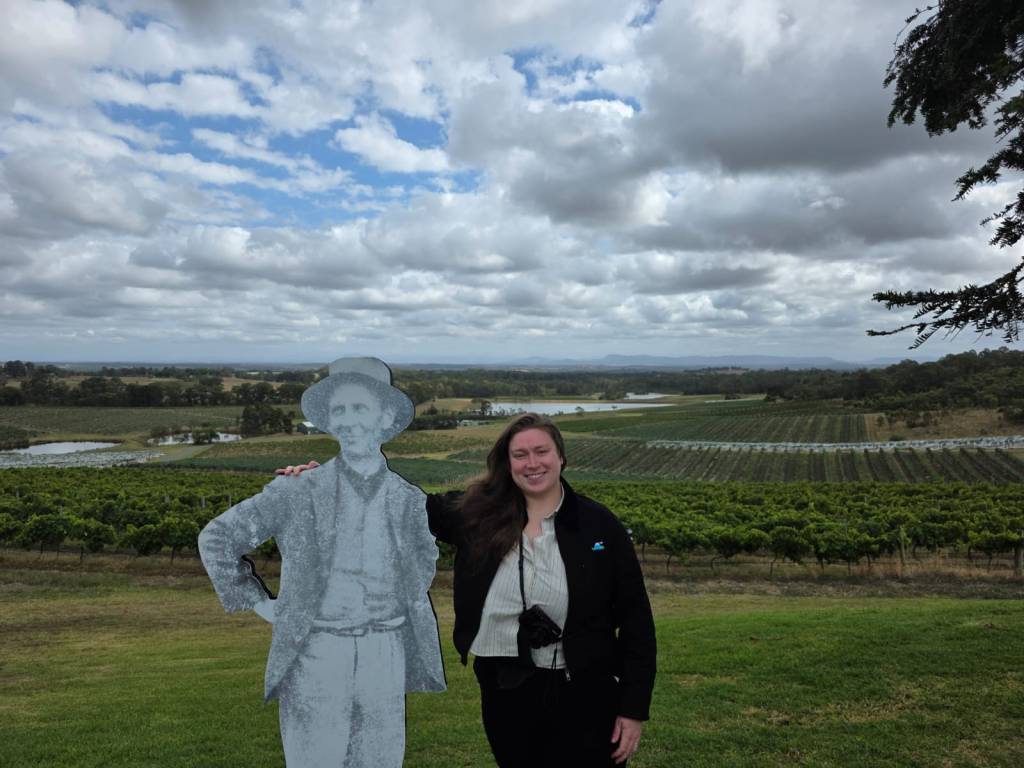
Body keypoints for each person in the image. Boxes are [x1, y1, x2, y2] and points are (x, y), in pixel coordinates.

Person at [285, 411, 656, 766]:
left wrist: (633, 708)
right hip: (507, 687)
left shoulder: (598, 525)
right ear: (507, 463)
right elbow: (402, 507)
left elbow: (636, 619)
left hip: (587, 688)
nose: (532, 463)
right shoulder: (478, 513)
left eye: (541, 451)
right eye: (520, 455)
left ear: (561, 457)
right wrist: (329, 485)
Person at [199, 357, 445, 768]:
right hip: (315, 652)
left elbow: (424, 561)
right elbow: (216, 538)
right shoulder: (296, 489)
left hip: (385, 653)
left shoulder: (409, 499)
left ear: (385, 416)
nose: (348, 420)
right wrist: (259, 603)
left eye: (360, 407)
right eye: (339, 410)